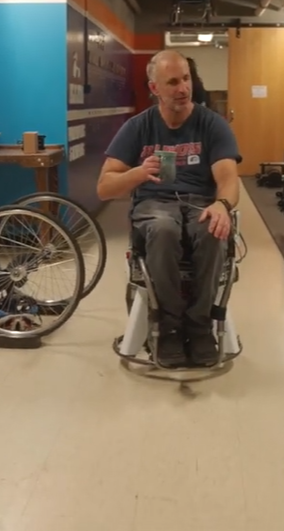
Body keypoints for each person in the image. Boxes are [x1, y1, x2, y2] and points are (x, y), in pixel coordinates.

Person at [97, 49, 241, 367]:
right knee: (163, 229)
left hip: (202, 202)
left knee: (211, 230)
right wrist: (138, 172)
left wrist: (221, 204)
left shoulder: (212, 125)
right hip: (155, 204)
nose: (183, 88)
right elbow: (105, 187)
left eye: (186, 79)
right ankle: (169, 327)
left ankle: (200, 327)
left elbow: (229, 178)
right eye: (173, 82)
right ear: (155, 89)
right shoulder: (138, 127)